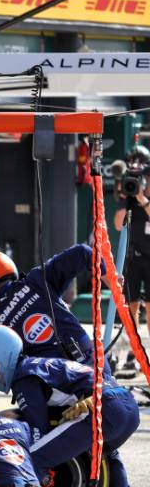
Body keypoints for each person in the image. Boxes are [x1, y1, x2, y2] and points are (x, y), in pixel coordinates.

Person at [0, 324, 141, 487]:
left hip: (103, 408)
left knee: (30, 458)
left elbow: (37, 430)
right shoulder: (37, 365)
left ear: (0, 359)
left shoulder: (23, 377)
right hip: (126, 406)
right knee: (108, 456)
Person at [0, 245, 101, 368]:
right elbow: (83, 252)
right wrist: (110, 280)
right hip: (93, 365)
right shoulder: (36, 280)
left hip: (55, 383)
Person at [112, 148, 150, 370]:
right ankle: (134, 353)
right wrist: (126, 199)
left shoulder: (144, 194)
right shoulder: (129, 193)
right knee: (131, 306)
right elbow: (118, 225)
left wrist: (142, 198)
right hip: (134, 258)